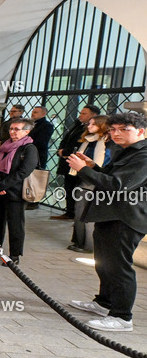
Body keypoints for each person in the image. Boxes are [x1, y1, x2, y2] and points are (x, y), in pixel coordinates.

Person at [66, 111, 147, 332]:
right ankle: (104, 303)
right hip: (110, 214)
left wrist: (83, 170)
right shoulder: (126, 150)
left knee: (119, 267)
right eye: (112, 129)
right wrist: (93, 167)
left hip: (126, 217)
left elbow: (118, 186)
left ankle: (122, 317)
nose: (116, 133)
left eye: (123, 129)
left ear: (141, 131)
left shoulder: (143, 155)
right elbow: (111, 179)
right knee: (103, 262)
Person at [0, 118, 38, 264]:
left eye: (17, 129)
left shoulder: (29, 148)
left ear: (26, 131)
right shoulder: (4, 146)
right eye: (11, 129)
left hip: (15, 192)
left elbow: (23, 171)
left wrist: (2, 186)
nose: (12, 132)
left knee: (15, 224)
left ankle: (14, 255)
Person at [67, 115, 112, 252]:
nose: (89, 126)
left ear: (102, 125)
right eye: (89, 123)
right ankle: (79, 242)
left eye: (93, 124)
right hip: (84, 178)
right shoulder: (89, 140)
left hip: (93, 180)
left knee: (85, 213)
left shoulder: (106, 143)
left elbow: (102, 165)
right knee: (80, 211)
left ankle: (87, 245)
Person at [52, 105, 100, 220]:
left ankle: (75, 213)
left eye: (84, 113)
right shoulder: (78, 125)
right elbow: (67, 139)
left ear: (94, 115)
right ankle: (70, 211)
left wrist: (66, 152)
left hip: (80, 164)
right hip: (69, 162)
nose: (80, 115)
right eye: (81, 113)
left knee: (76, 189)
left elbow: (78, 145)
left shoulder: (91, 132)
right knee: (69, 188)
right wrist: (61, 150)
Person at [28, 106, 54, 171]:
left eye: (35, 112)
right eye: (32, 112)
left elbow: (41, 142)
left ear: (43, 114)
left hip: (37, 155)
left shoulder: (47, 126)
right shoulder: (30, 124)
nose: (32, 114)